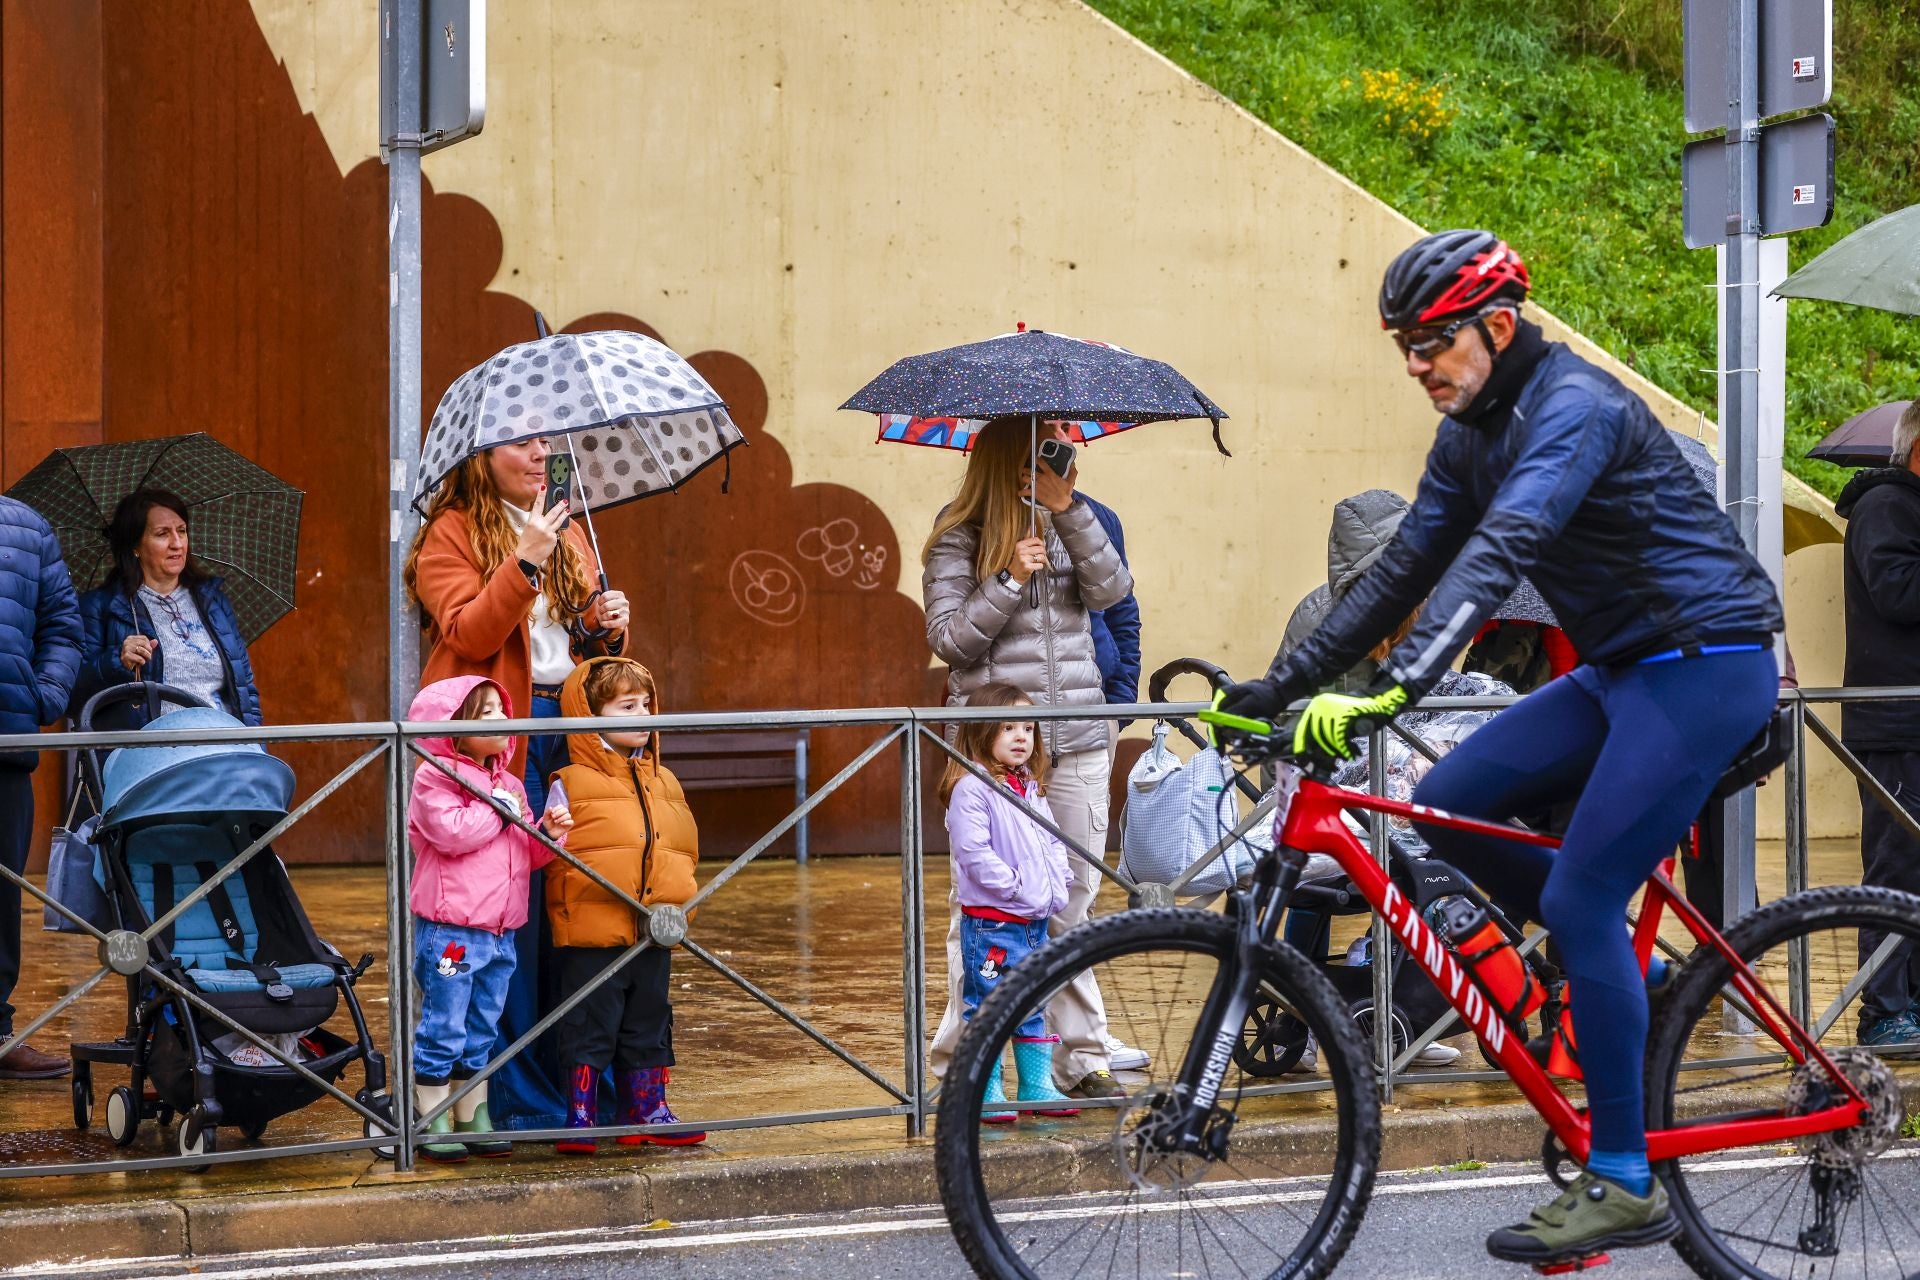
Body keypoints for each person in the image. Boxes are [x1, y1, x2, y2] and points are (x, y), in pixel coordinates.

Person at [1219, 229, 1782, 1267]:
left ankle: (1621, 1175)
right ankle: (1589, 943)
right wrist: (1284, 683)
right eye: (1402, 346)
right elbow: (1396, 576)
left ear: (1498, 325)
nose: (1416, 365)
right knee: (1450, 804)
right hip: (1620, 668)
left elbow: (1500, 550)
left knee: (1574, 900)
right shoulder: (1469, 434)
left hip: (1708, 662)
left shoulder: (1575, 409)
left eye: (1431, 342)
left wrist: (1396, 687)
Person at [404, 437, 630, 1129]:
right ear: (480, 457)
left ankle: (586, 1085)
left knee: (581, 902)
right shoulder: (450, 533)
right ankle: (498, 1095)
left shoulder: (567, 522)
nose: (541, 452)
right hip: (500, 738)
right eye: (521, 441)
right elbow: (469, 635)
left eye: (546, 440)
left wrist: (602, 625)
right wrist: (525, 555)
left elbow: (572, 641)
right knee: (504, 915)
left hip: (570, 727)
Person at [921, 416, 1137, 1099]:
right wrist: (1010, 578)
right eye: (1042, 453)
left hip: (1072, 740)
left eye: (1059, 452)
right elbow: (951, 641)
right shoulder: (958, 533)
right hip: (991, 752)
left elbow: (1113, 593)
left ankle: (1078, 1059)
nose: (1057, 459)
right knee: (986, 908)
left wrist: (1068, 511)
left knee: (1071, 898)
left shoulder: (1078, 520)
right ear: (1006, 463)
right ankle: (965, 1067)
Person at [542, 655, 704, 1154]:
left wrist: (681, 902)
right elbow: (556, 852)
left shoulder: (665, 781)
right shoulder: (569, 781)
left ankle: (647, 1105)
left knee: (651, 1016)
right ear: (590, 719)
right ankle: (582, 1113)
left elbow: (683, 846)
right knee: (590, 1018)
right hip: (595, 927)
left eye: (646, 704)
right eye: (625, 706)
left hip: (655, 928)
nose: (641, 715)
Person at [406, 676, 567, 1161]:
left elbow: (524, 853)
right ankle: (431, 1111)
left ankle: (472, 1112)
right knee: (444, 1022)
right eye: (485, 713)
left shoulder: (512, 784)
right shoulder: (435, 776)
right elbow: (451, 832)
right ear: (451, 729)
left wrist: (550, 837)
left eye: (502, 709)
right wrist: (499, 812)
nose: (501, 718)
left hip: (500, 933)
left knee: (482, 1024)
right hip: (451, 931)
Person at [941, 684, 1081, 1123]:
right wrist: (1019, 887)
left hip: (1032, 921)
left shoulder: (1029, 787)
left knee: (1032, 1001)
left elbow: (1052, 839)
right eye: (1008, 728)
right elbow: (974, 854)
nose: (1022, 737)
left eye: (1029, 728)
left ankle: (1036, 1084)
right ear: (982, 731)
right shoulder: (972, 789)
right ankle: (987, 1087)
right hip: (993, 924)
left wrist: (1060, 878)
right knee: (988, 1005)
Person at [1833, 399, 1920, 1047]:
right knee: (1896, 867)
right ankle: (1884, 1009)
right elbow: (1898, 592)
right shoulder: (1885, 507)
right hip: (1895, 725)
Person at [0, 494, 82, 1081]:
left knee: (2, 896)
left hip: (5, 737)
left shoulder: (28, 527)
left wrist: (44, 695)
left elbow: (62, 625)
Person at [72, 489, 262, 727]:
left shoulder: (212, 602)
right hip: (151, 755)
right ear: (135, 546)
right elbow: (72, 698)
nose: (177, 543)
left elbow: (246, 692)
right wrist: (116, 663)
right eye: (162, 534)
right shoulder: (101, 608)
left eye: (181, 531)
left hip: (222, 747)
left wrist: (254, 745)